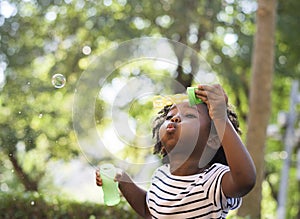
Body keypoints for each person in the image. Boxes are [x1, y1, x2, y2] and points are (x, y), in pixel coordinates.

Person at [96, 84, 256, 219]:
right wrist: (123, 179)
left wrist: (220, 117)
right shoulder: (161, 175)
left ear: (213, 139)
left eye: (189, 115)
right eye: (170, 116)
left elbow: (245, 180)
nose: (174, 118)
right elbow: (149, 208)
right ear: (163, 145)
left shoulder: (212, 181)